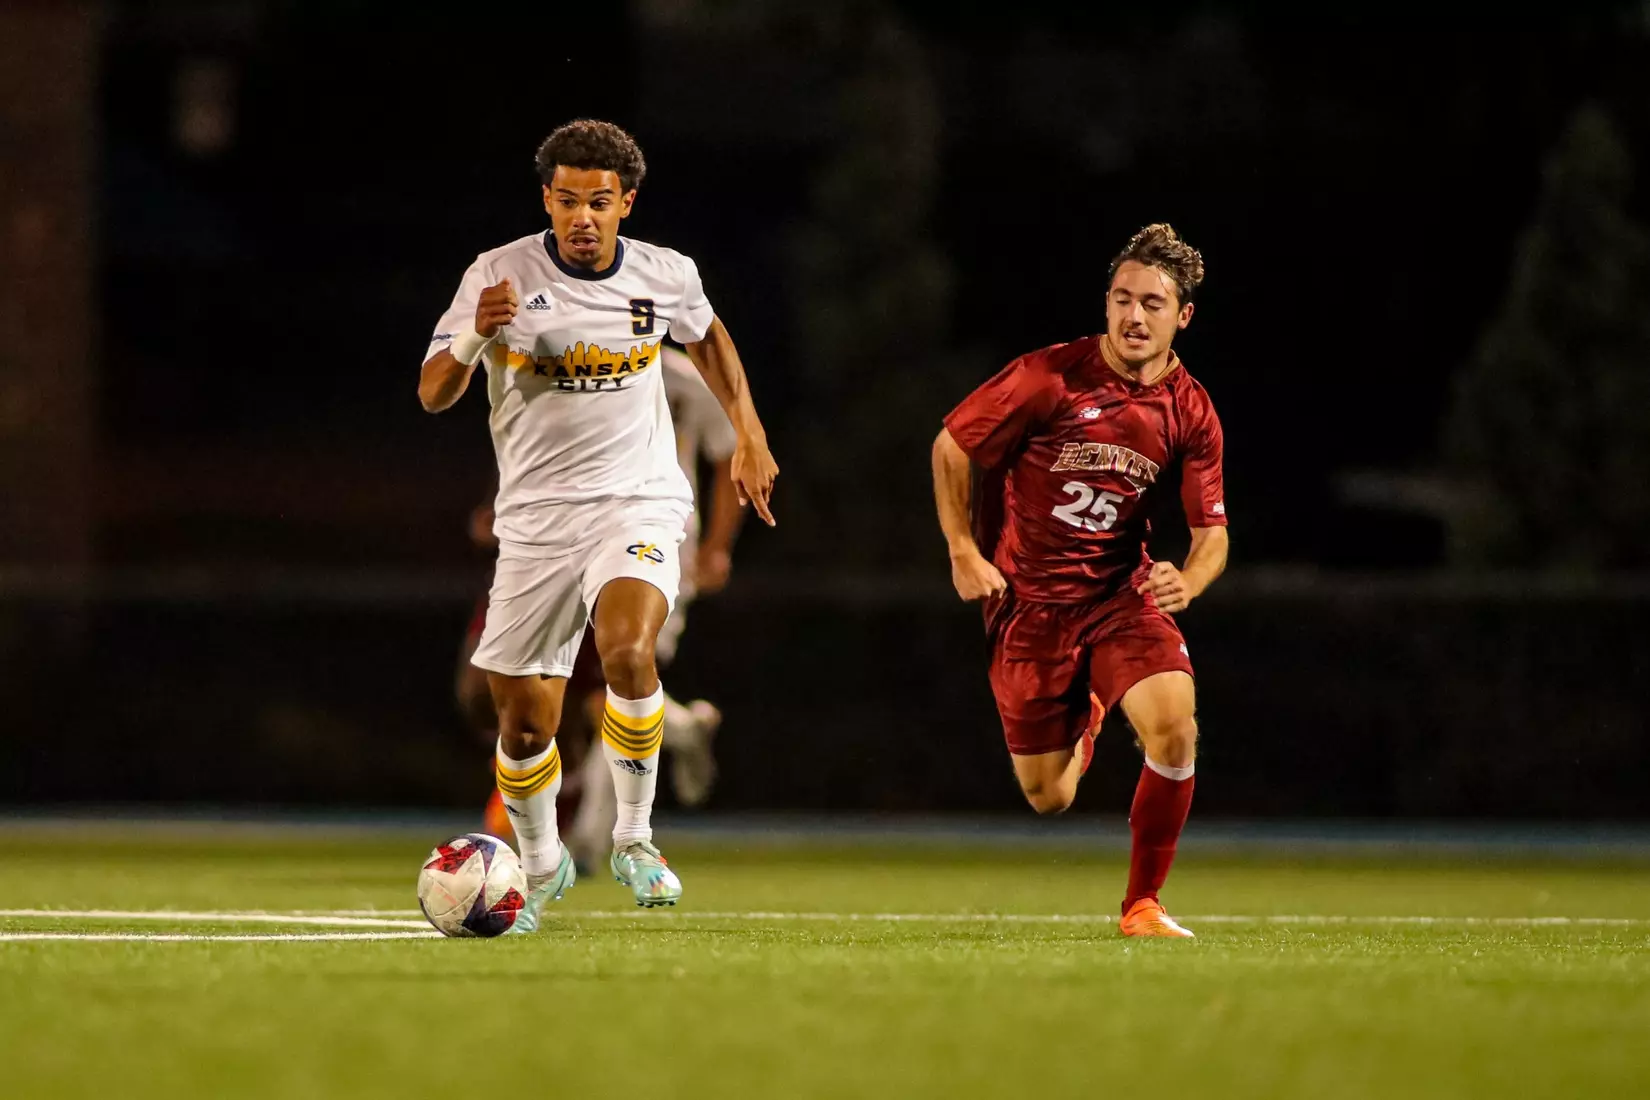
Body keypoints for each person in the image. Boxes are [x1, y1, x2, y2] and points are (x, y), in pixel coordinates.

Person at [419, 119, 778, 931]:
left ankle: (633, 840)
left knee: (627, 649)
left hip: (639, 500)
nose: (583, 217)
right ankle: (541, 865)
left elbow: (712, 338)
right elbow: (434, 390)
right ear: (547, 198)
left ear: (627, 203)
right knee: (523, 721)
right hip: (538, 521)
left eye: (600, 202)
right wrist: (478, 329)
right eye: (568, 200)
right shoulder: (497, 273)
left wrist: (749, 435)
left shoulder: (665, 274)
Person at [931, 223, 1228, 938]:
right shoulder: (1048, 378)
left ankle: (1143, 904)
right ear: (1105, 302)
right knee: (1048, 795)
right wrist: (962, 549)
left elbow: (1213, 535)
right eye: (1123, 298)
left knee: (1175, 731)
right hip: (1027, 606)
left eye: (1153, 304)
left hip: (1120, 598)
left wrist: (1188, 579)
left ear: (1182, 316)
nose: (1134, 316)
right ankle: (1091, 714)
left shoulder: (1191, 411)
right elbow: (952, 446)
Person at [567, 342, 745, 869]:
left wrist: (716, 545)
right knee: (581, 691)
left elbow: (730, 452)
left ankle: (593, 840)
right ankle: (682, 727)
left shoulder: (686, 378)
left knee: (617, 679)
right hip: (577, 541)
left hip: (661, 543)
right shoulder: (574, 364)